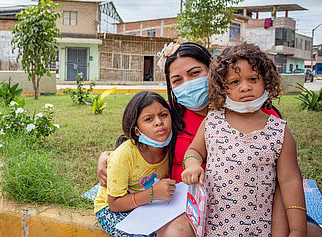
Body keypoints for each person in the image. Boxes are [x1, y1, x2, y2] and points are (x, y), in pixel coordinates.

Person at [96, 42, 294, 235]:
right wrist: (106, 158)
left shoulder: (258, 113)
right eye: (177, 80)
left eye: (195, 73)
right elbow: (139, 140)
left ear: (213, 70)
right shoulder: (170, 114)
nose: (188, 84)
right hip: (183, 205)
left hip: (247, 205)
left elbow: (282, 174)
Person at [181, 43, 307, 236]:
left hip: (260, 229)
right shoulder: (212, 121)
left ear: (266, 80)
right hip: (213, 227)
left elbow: (290, 181)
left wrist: (298, 229)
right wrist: (192, 165)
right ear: (222, 87)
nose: (245, 87)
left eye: (253, 79)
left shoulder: (279, 131)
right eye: (235, 82)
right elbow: (194, 151)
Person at [94, 91, 194, 236]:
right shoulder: (124, 156)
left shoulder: (171, 147)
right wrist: (152, 194)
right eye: (149, 119)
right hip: (110, 208)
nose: (159, 122)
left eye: (163, 115)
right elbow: (114, 204)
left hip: (147, 204)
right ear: (136, 130)